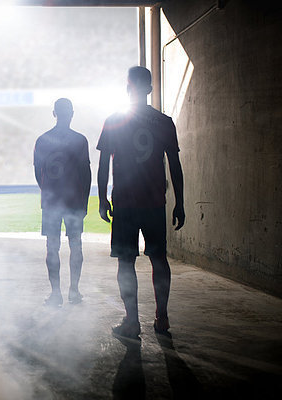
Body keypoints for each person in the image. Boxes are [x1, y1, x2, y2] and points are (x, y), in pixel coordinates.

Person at [97, 66, 185, 339]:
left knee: (126, 262)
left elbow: (102, 165)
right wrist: (179, 202)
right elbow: (175, 166)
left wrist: (102, 198)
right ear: (149, 88)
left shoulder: (114, 120)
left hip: (125, 202)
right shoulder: (164, 122)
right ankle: (162, 317)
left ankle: (132, 322)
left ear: (127, 88)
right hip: (154, 202)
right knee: (159, 259)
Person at [34, 98, 91, 307]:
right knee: (75, 245)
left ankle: (56, 293)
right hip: (74, 201)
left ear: (54, 113)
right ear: (72, 113)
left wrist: (49, 191)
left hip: (52, 201)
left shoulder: (43, 140)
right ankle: (74, 291)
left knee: (52, 247)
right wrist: (83, 202)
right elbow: (86, 174)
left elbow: (38, 173)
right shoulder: (80, 140)